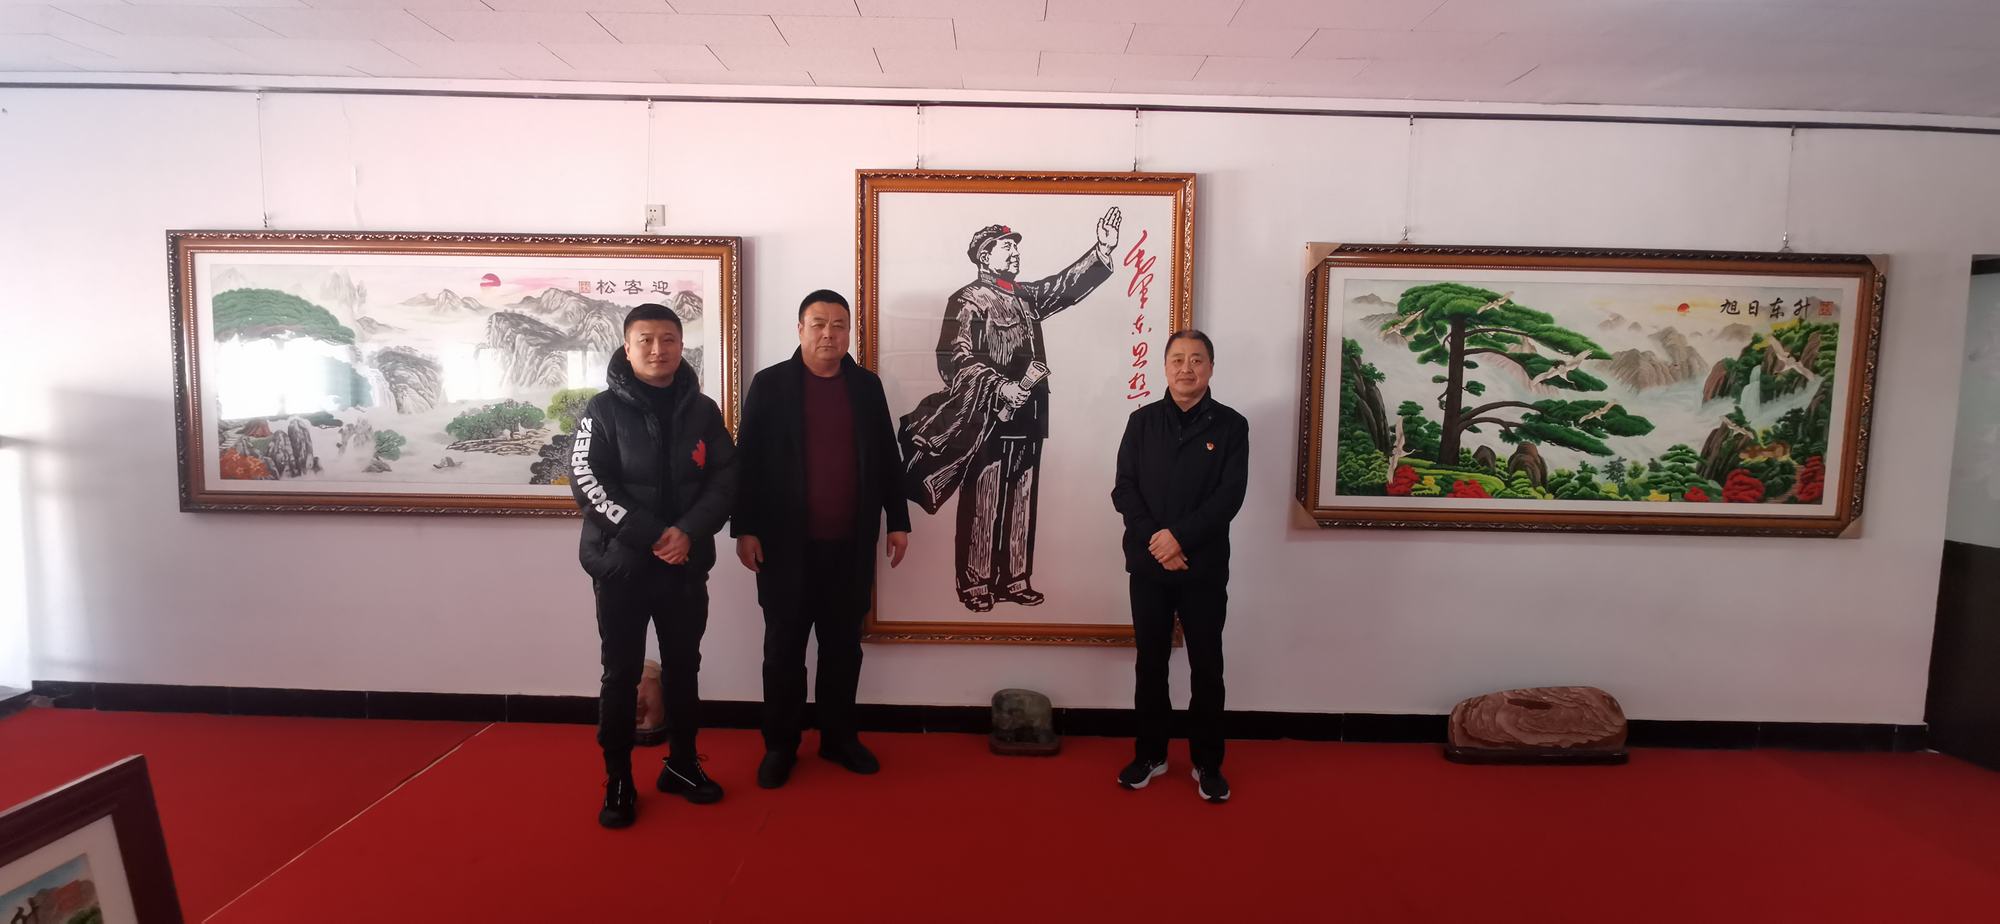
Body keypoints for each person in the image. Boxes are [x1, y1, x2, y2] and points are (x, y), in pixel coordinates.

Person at [733, 289, 912, 789]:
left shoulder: (866, 387)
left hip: (849, 547)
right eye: (818, 324)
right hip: (783, 548)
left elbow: (886, 457)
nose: (829, 334)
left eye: (838, 325)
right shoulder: (771, 385)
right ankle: (780, 745)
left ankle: (838, 738)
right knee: (783, 652)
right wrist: (744, 528)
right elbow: (747, 462)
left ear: (849, 331)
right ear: (800, 329)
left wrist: (898, 520)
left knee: (842, 649)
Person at [900, 209, 1122, 612]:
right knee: (983, 499)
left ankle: (1015, 579)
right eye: (1007, 247)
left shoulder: (1025, 296)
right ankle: (976, 585)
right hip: (987, 416)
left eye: (1016, 247)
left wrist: (1101, 250)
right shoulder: (967, 300)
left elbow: (1064, 287)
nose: (1015, 252)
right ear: (986, 256)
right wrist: (999, 385)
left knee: (1022, 500)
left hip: (1030, 414)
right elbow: (954, 360)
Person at [571, 303, 736, 829]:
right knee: (620, 675)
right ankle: (618, 778)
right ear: (627, 347)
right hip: (621, 566)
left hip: (684, 566)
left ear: (681, 346)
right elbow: (588, 483)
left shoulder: (703, 411)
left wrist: (687, 532)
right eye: (645, 340)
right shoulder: (600, 411)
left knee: (685, 668)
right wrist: (652, 534)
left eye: (668, 339)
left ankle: (683, 765)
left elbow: (726, 479)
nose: (657, 349)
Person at [1109, 329, 1248, 804]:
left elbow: (1229, 497)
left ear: (1210, 367)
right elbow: (1124, 489)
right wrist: (1158, 540)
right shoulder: (1142, 422)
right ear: (1165, 367)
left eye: (1197, 359)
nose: (1186, 368)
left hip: (1202, 566)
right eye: (1178, 359)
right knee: (1150, 663)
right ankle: (1150, 755)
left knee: (1207, 665)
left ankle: (1208, 763)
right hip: (1149, 564)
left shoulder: (1231, 426)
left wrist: (1179, 538)